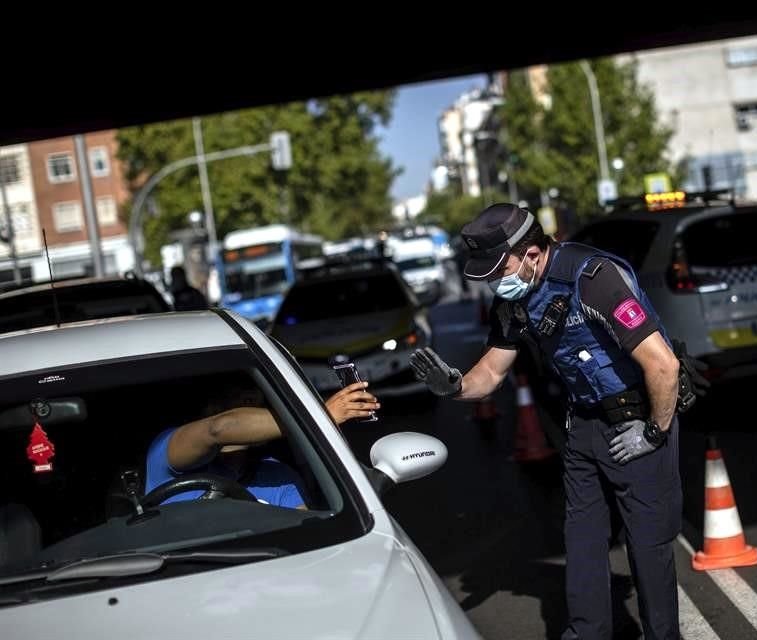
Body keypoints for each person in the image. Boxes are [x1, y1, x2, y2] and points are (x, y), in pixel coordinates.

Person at [411, 203, 706, 640]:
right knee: (582, 542)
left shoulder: (594, 279)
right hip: (584, 425)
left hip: (638, 420)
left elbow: (662, 366)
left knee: (647, 548)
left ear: (531, 254)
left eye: (499, 269)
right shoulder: (516, 300)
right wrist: (453, 386)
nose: (494, 281)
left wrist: (653, 432)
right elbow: (490, 373)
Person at [145, 379, 379, 509]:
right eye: (244, 401)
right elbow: (218, 429)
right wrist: (319, 417)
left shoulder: (278, 476)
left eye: (261, 404)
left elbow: (305, 533)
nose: (260, 415)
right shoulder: (165, 453)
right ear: (211, 408)